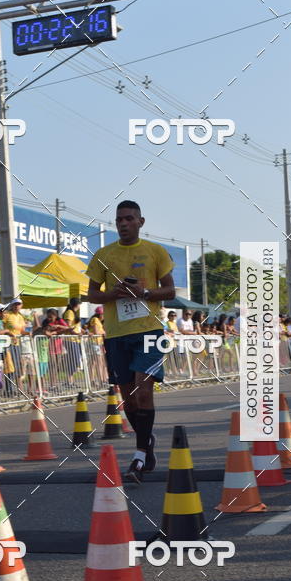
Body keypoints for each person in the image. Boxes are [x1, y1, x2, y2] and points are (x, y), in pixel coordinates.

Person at [86, 199, 175, 484]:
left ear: (140, 222)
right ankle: (147, 442)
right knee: (129, 400)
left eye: (129, 219)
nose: (123, 224)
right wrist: (113, 294)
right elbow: (91, 295)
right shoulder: (103, 255)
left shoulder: (155, 251)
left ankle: (138, 454)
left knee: (143, 391)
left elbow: (170, 291)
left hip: (150, 331)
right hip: (115, 334)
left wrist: (144, 292)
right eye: (119, 220)